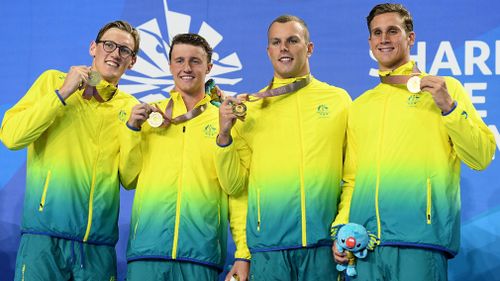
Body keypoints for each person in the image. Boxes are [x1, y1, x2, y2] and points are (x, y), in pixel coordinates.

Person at [331, 3, 496, 280]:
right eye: (377, 33)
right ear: (370, 42)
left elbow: (481, 156)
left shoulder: (445, 90)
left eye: (393, 31)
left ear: (410, 37)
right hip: (366, 247)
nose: (384, 39)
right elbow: (352, 180)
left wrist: (449, 108)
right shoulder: (360, 106)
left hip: (420, 242)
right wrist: (342, 228)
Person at [0, 20, 141, 280]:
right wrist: (63, 93)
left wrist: (132, 129)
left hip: (97, 248)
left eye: (125, 50)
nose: (115, 53)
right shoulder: (53, 81)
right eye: (108, 44)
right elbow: (11, 136)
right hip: (43, 239)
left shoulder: (130, 107)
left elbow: (130, 179)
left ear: (132, 61)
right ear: (92, 48)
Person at [216, 15, 351, 280]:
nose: (283, 48)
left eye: (292, 40)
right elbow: (235, 189)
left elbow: (353, 175)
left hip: (323, 249)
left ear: (309, 48)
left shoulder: (338, 101)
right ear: (268, 51)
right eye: (276, 42)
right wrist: (223, 135)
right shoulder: (250, 109)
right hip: (267, 250)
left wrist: (342, 229)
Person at [123, 33, 250, 281]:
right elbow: (128, 179)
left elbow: (235, 188)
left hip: (200, 256)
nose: (186, 68)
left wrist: (243, 253)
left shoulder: (225, 118)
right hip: (146, 254)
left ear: (209, 67)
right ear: (170, 65)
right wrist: (132, 131)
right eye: (179, 60)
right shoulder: (151, 116)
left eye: (195, 61)